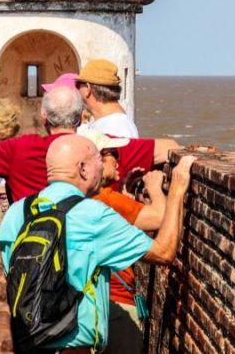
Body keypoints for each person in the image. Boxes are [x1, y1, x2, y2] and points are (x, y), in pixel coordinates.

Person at [0, 134, 195, 352]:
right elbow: (164, 252)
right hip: (72, 348)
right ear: (82, 168)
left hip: (24, 342)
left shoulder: (18, 211)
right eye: (98, 161)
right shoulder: (93, 215)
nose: (102, 169)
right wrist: (177, 189)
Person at [0, 87, 180, 203]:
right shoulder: (103, 148)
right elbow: (169, 148)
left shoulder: (20, 148)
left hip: (34, 260)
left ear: (43, 117)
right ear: (79, 118)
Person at [78, 129, 167, 353]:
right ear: (92, 162)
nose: (118, 159)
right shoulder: (106, 199)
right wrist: (160, 189)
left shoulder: (83, 197)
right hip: (116, 303)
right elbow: (158, 218)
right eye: (111, 153)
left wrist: (124, 188)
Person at [76, 59, 139, 138]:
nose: (77, 90)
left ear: (87, 88)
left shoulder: (117, 128)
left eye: (78, 85)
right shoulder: (113, 123)